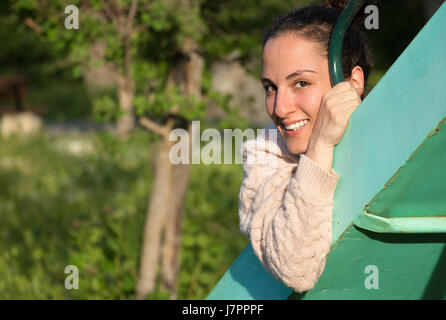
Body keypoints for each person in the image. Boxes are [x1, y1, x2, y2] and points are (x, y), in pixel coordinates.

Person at [238, 0, 373, 293]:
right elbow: (296, 269)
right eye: (270, 88)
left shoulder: (397, 133)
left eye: (300, 83)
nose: (279, 108)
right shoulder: (265, 155)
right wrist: (320, 146)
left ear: (352, 83)